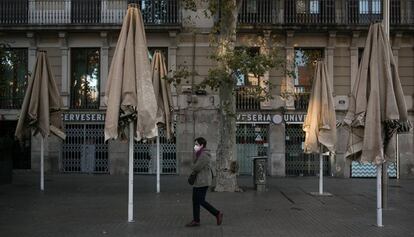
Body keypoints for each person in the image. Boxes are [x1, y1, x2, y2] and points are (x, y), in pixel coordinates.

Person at [185, 137, 223, 227]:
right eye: (194, 144)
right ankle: (196, 220)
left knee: (200, 200)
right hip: (199, 181)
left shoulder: (204, 155)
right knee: (195, 200)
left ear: (202, 145)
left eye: (196, 144)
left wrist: (189, 163)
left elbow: (196, 167)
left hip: (203, 181)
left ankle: (217, 213)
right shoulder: (199, 154)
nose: (195, 146)